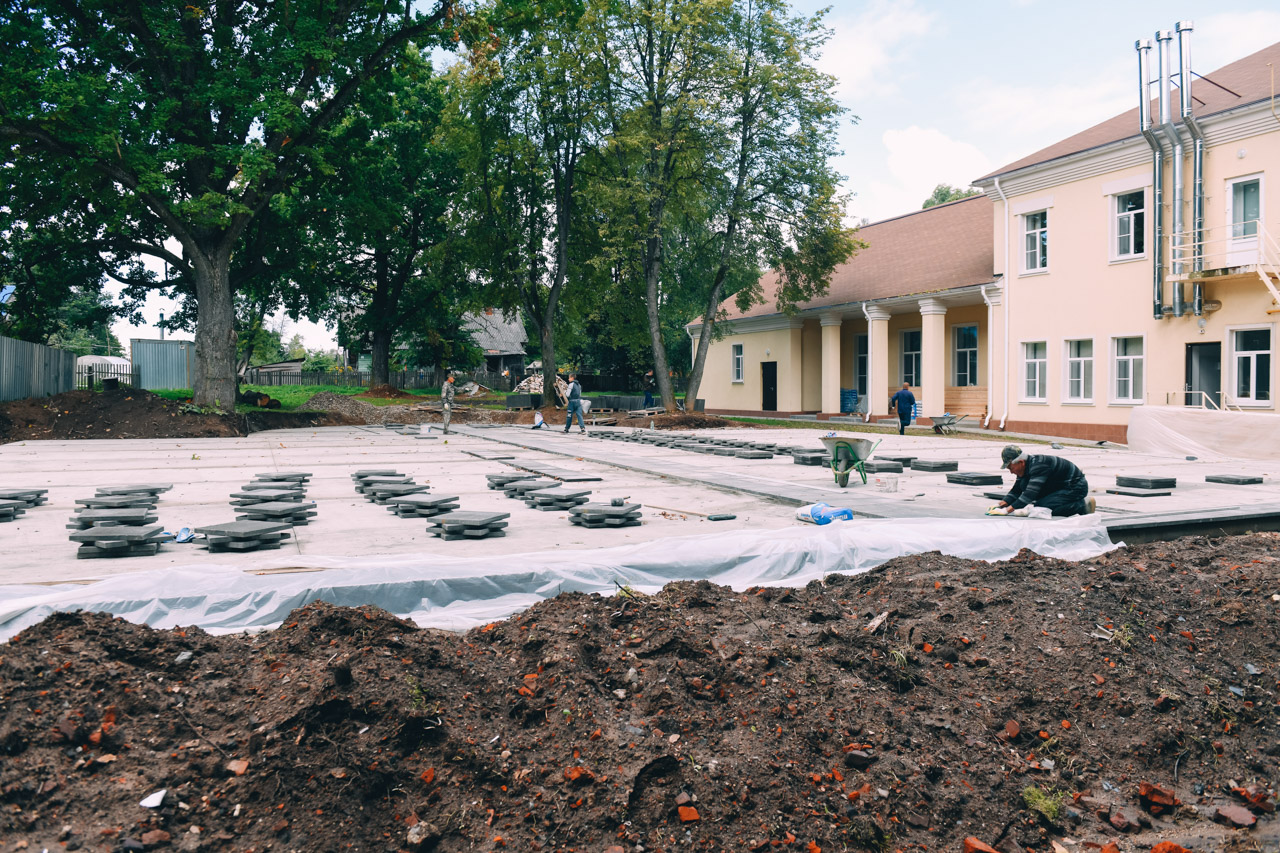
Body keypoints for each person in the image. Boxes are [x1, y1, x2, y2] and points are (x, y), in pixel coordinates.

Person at [996, 445, 1095, 516]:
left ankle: (1083, 505)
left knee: (1043, 509)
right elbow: (1017, 489)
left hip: (1075, 487)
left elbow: (1030, 494)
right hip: (1060, 485)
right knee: (1024, 484)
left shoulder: (1039, 466)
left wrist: (1007, 511)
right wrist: (1002, 503)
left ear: (1021, 462)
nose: (1011, 472)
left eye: (1011, 468)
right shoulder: (1025, 467)